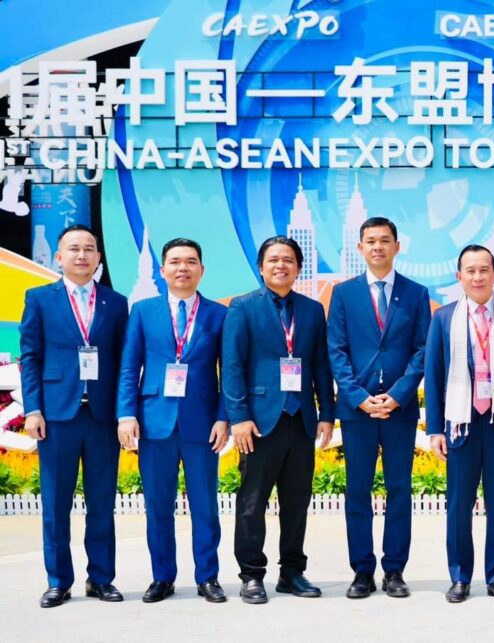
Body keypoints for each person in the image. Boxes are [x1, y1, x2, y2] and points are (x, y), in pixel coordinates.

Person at [19, 224, 129, 608]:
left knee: (101, 503)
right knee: (56, 504)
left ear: (99, 257)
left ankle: (101, 578)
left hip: (102, 417)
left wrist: (124, 413)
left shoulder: (116, 302)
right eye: (74, 249)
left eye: (89, 249)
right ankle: (58, 581)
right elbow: (30, 357)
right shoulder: (39, 298)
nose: (82, 255)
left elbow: (124, 363)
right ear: (59, 256)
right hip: (56, 416)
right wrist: (33, 409)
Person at [115, 238, 230, 604]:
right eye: (176, 262)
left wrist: (224, 417)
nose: (183, 268)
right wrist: (126, 414)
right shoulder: (143, 311)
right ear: (162, 269)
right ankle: (162, 577)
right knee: (158, 506)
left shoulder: (218, 314)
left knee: (205, 506)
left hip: (202, 424)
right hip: (154, 422)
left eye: (191, 261)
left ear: (202, 270)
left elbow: (228, 372)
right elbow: (129, 366)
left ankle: (208, 577)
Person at [222, 235, 335, 604]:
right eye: (273, 260)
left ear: (298, 267)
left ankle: (292, 572)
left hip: (300, 419)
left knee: (297, 501)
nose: (280, 265)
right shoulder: (243, 307)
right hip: (258, 422)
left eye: (288, 260)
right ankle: (252, 575)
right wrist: (239, 417)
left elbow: (320, 364)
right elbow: (232, 366)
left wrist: (326, 413)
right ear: (261, 267)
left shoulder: (312, 310)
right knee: (252, 502)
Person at [424, 244, 494, 604]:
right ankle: (460, 577)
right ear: (459, 276)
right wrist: (435, 429)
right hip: (461, 424)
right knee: (459, 504)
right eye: (470, 271)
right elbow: (434, 374)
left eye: (484, 270)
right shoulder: (444, 318)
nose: (477, 277)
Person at [327, 217, 431, 599]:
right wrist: (358, 396)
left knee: (399, 489)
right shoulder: (343, 294)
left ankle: (395, 570)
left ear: (397, 246)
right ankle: (362, 570)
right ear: (360, 248)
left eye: (385, 240)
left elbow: (423, 349)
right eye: (370, 241)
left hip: (399, 410)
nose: (377, 247)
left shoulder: (416, 293)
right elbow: (336, 350)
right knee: (358, 490)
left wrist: (399, 394)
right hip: (358, 411)